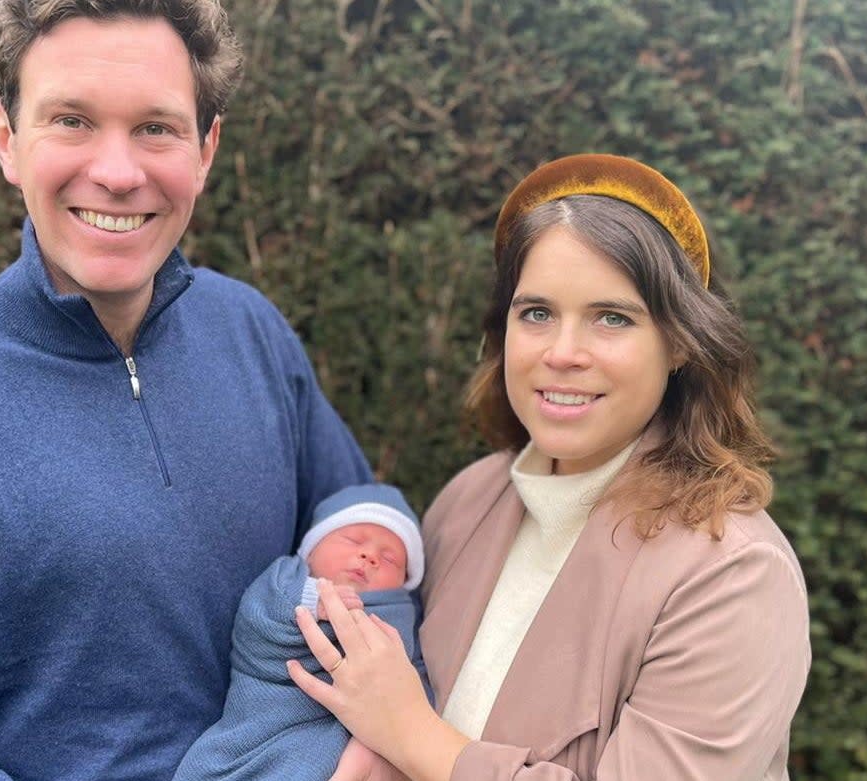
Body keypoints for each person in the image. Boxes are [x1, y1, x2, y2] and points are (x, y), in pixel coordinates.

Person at [0, 2, 373, 779]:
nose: (116, 170)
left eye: (156, 127)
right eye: (71, 120)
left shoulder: (252, 332)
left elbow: (370, 549)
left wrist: (379, 742)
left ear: (205, 149)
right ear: (5, 136)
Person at [288, 153, 811, 780]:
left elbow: (403, 722)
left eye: (611, 318)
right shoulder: (468, 500)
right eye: (536, 313)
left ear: (679, 343)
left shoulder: (733, 575)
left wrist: (413, 734)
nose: (563, 354)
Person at [173, 483, 428, 781]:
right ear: (311, 550)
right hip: (265, 718)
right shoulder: (286, 579)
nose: (369, 556)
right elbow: (256, 622)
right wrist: (312, 601)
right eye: (352, 540)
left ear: (405, 580)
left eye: (389, 559)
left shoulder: (402, 615)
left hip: (336, 739)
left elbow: (417, 678)